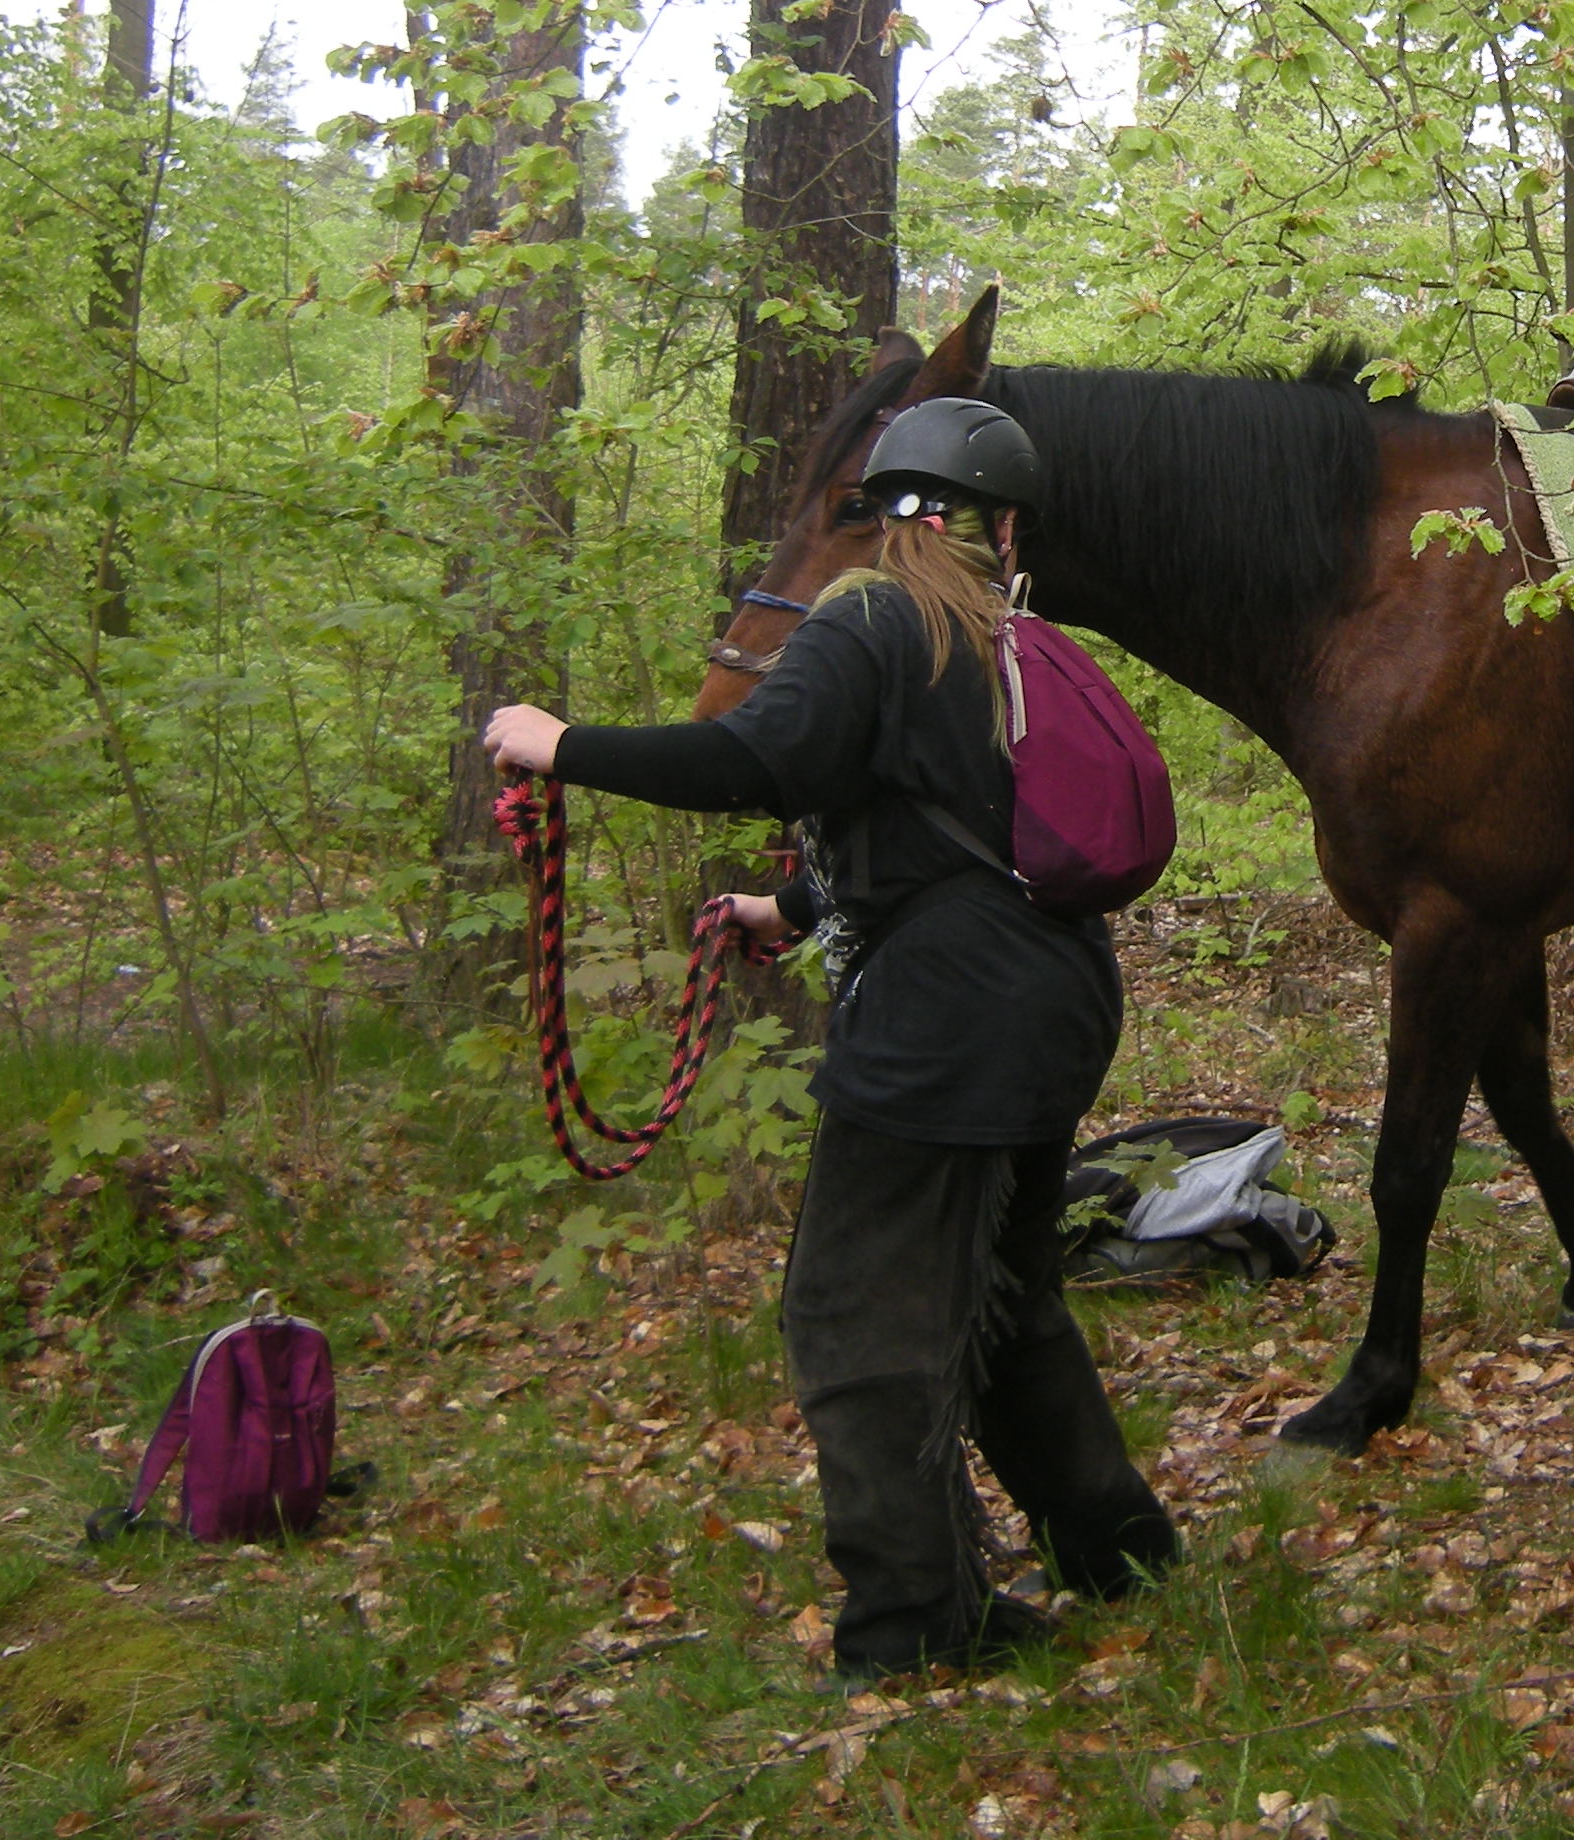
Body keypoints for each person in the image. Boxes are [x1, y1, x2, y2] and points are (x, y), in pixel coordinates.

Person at [480, 397, 1177, 1674]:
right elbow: (936, 816)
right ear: (1004, 526)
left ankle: (915, 1624)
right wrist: (792, 905)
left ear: (878, 507)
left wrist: (561, 745)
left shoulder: (868, 614)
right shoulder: (1005, 636)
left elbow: (763, 761)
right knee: (1006, 1296)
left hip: (948, 1021)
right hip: (1047, 997)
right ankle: (1119, 1550)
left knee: (855, 1319)